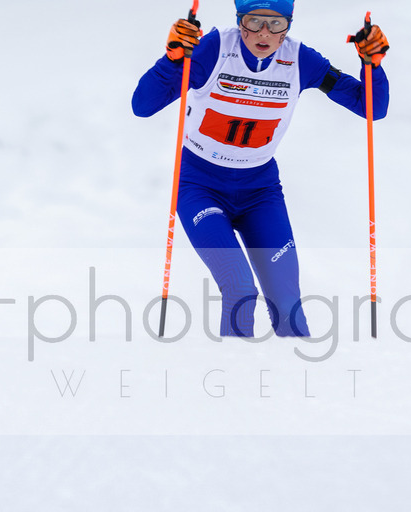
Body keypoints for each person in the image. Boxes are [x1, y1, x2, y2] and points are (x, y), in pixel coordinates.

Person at [133, 0, 389, 338]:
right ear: (240, 21)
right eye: (254, 21)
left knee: (287, 303)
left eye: (276, 23)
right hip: (200, 186)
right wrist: (172, 60)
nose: (264, 33)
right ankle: (236, 379)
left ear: (289, 24)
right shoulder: (213, 49)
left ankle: (301, 384)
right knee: (240, 289)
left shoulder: (300, 60)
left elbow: (370, 107)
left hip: (260, 191)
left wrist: (371, 65)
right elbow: (143, 105)